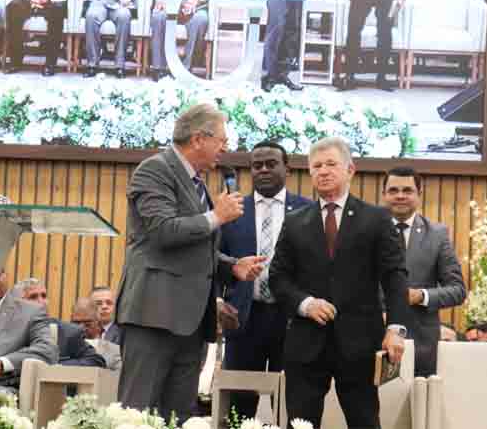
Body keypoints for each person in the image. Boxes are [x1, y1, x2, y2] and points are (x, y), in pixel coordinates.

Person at [114, 103, 265, 421]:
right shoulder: (154, 170)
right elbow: (162, 231)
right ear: (199, 139)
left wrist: (231, 266)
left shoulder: (197, 183)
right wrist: (216, 216)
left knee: (178, 415)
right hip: (153, 314)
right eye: (222, 141)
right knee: (137, 414)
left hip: (193, 323)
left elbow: (195, 247)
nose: (225, 148)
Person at [269, 136, 409, 429]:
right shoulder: (294, 222)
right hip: (306, 345)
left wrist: (395, 329)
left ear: (350, 169)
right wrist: (305, 304)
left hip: (359, 344)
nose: (323, 171)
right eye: (316, 166)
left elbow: (395, 277)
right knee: (300, 425)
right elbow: (278, 278)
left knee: (365, 423)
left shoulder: (376, 219)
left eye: (331, 164)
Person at [219, 141, 314, 419]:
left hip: (293, 319)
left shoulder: (308, 211)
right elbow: (215, 258)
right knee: (239, 404)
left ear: (288, 168)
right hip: (243, 317)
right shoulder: (233, 210)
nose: (263, 170)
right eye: (256, 165)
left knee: (291, 402)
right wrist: (218, 300)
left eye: (271, 164)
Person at [380, 166, 466, 376]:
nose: (400, 196)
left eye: (407, 190)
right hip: (371, 339)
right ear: (384, 195)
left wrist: (421, 296)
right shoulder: (366, 231)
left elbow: (457, 290)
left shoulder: (437, 235)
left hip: (420, 347)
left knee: (416, 408)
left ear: (419, 194)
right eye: (393, 190)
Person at [16, 278, 106, 367]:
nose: (41, 301)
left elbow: (96, 360)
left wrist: (57, 366)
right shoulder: (4, 330)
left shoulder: (68, 332)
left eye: (44, 296)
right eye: (33, 297)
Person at [72, 297, 121, 370]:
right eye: (76, 323)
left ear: (98, 324)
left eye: (87, 324)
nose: (80, 328)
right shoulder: (61, 348)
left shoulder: (114, 352)